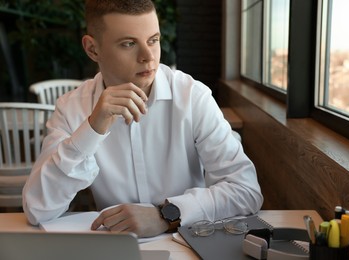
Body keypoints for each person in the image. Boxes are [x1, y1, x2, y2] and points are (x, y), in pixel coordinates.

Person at [22, 0, 263, 238]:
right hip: (116, 249)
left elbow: (246, 191)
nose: (148, 57)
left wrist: (166, 214)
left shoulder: (192, 97)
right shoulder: (71, 107)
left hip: (189, 242)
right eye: (128, 44)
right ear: (92, 49)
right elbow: (37, 210)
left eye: (154, 40)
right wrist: (93, 128)